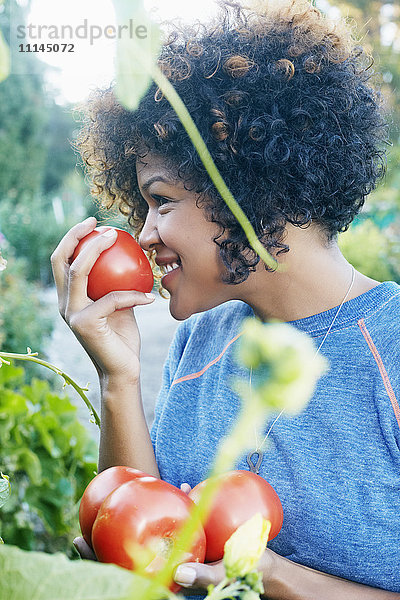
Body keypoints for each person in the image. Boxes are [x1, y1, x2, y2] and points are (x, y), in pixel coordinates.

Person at [51, 0, 400, 597]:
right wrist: (119, 377)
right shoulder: (200, 340)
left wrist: (274, 578)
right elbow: (143, 518)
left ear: (249, 184)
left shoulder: (389, 349)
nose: (143, 235)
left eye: (161, 201)